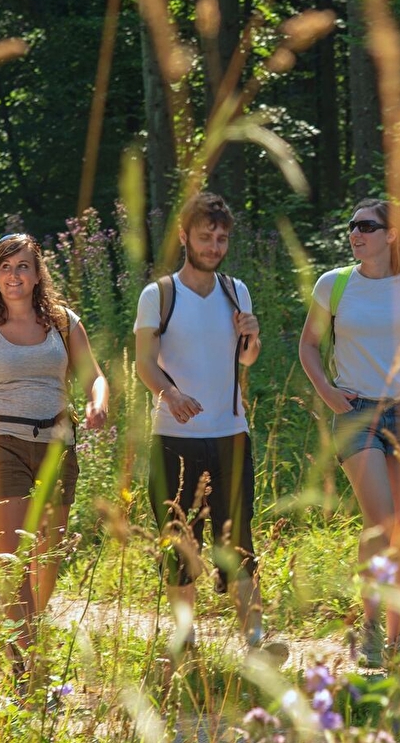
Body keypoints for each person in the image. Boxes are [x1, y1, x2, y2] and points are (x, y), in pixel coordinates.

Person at [297, 197, 400, 668]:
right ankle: (369, 626)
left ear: (391, 234)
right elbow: (308, 345)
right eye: (352, 226)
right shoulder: (334, 284)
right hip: (356, 413)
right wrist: (327, 392)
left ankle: (397, 638)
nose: (355, 233)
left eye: (366, 226)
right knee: (382, 523)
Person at [0, 232, 109, 677]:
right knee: (14, 561)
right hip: (1, 445)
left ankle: (22, 638)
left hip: (57, 445)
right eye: (5, 266)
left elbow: (94, 375)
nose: (13, 275)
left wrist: (98, 401)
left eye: (22, 266)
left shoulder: (63, 323)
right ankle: (26, 665)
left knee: (47, 562)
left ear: (38, 275)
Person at [133, 191, 280, 659]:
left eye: (221, 239)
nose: (214, 247)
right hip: (174, 437)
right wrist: (171, 394)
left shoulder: (236, 291)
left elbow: (247, 359)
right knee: (180, 543)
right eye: (205, 237)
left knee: (238, 541)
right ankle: (185, 641)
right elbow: (144, 363)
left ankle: (255, 644)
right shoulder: (159, 295)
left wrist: (252, 337)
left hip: (231, 434)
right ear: (184, 237)